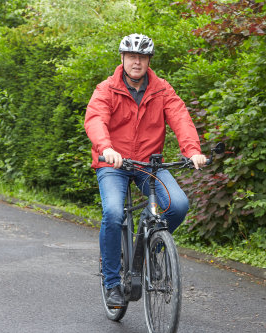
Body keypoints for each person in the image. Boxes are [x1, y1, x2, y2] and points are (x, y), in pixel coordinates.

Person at [84, 33, 206, 307]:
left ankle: (150, 249)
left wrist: (192, 150)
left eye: (141, 57)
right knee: (114, 213)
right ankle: (112, 282)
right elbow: (95, 120)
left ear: (148, 60)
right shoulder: (106, 89)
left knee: (178, 205)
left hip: (148, 164)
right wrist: (106, 147)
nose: (136, 62)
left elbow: (181, 118)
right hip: (113, 163)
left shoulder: (162, 89)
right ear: (123, 59)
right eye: (131, 57)